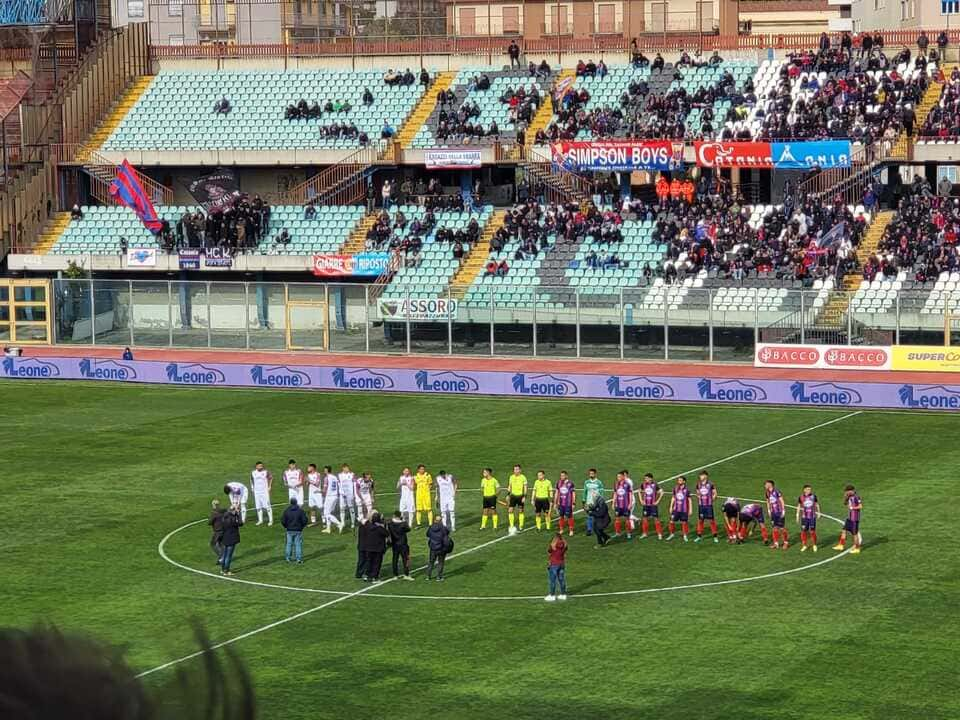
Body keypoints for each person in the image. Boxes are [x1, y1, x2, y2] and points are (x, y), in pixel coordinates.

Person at [356, 511, 389, 581]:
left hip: (369, 548)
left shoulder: (367, 526)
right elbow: (386, 533)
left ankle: (366, 575)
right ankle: (374, 577)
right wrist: (383, 523)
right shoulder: (379, 528)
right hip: (377, 549)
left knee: (369, 562)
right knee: (376, 563)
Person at [833, 485, 863, 554]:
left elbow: (860, 506)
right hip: (849, 518)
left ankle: (857, 548)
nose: (847, 493)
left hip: (854, 519)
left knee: (854, 534)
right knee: (844, 530)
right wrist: (845, 498)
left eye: (848, 491)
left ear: (851, 490)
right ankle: (841, 545)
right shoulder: (849, 497)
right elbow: (845, 504)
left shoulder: (856, 497)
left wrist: (853, 508)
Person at [694, 470, 719, 543]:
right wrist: (699, 498)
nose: (700, 477)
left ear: (705, 476)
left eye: (701, 475)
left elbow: (715, 493)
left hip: (708, 506)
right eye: (700, 475)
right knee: (700, 520)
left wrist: (712, 500)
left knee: (711, 521)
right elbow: (698, 493)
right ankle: (699, 536)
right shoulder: (698, 484)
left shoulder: (711, 484)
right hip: (701, 506)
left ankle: (715, 536)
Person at [281, 497, 308, 564]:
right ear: (296, 503)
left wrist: (286, 527)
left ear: (290, 503)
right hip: (298, 530)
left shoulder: (287, 511)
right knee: (298, 544)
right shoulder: (300, 511)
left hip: (289, 530)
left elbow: (283, 521)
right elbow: (305, 520)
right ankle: (298, 559)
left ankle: (288, 558)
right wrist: (301, 527)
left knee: (289, 544)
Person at [389, 511, 415, 580]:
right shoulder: (403, 524)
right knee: (405, 559)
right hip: (403, 544)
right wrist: (403, 520)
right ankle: (406, 574)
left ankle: (395, 575)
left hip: (395, 544)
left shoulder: (390, 524)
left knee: (395, 559)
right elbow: (408, 529)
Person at [667, 476, 692, 542]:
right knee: (671, 521)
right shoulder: (675, 488)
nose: (679, 481)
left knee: (684, 522)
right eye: (678, 480)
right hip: (676, 509)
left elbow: (689, 500)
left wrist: (690, 509)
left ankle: (685, 535)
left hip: (684, 510)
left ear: (684, 481)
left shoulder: (687, 490)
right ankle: (672, 534)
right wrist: (670, 506)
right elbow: (673, 498)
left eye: (680, 480)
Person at [638, 472, 663, 540]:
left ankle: (659, 534)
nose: (645, 479)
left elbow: (661, 492)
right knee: (645, 519)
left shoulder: (655, 485)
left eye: (647, 478)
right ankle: (645, 533)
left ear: (651, 479)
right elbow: (639, 491)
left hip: (653, 505)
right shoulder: (643, 484)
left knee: (656, 519)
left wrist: (657, 501)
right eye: (645, 478)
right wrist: (641, 500)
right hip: (646, 505)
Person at [765, 480, 788, 550]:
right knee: (774, 528)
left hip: (779, 512)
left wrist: (783, 510)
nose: (765, 486)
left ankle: (785, 543)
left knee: (781, 528)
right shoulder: (767, 493)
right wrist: (769, 510)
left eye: (766, 484)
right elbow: (768, 501)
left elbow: (782, 501)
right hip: (773, 513)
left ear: (770, 485)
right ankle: (776, 543)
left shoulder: (777, 491)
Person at [426, 514, 451, 581]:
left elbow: (427, 534)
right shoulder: (443, 528)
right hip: (441, 548)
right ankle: (439, 577)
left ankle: (428, 576)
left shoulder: (431, 527)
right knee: (441, 562)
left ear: (434, 520)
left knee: (431, 562)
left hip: (433, 548)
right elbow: (447, 533)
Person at [796, 484, 820, 553]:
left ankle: (814, 545)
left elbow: (816, 504)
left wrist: (818, 512)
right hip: (804, 517)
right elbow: (799, 506)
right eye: (808, 489)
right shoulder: (801, 497)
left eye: (810, 489)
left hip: (812, 517)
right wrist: (797, 515)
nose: (809, 490)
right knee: (804, 531)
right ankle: (804, 545)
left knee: (812, 531)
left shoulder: (813, 496)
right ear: (804, 490)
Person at [545, 532, 568, 602]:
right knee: (562, 579)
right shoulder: (564, 544)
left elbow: (549, 551)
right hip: (562, 563)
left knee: (552, 581)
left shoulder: (553, 545)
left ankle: (552, 595)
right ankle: (563, 594)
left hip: (554, 564)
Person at [220, 505, 242, 575]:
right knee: (228, 556)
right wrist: (238, 515)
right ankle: (227, 570)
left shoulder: (224, 517)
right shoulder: (232, 519)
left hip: (224, 538)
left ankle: (222, 569)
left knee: (224, 555)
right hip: (231, 539)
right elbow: (240, 523)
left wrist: (235, 514)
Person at [612, 470, 634, 539]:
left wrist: (630, 503)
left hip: (626, 505)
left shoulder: (627, 484)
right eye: (617, 476)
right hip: (618, 505)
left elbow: (630, 494)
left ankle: (628, 533)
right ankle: (617, 532)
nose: (618, 478)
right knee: (617, 519)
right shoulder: (616, 484)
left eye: (619, 476)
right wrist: (613, 503)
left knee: (627, 519)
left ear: (623, 477)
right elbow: (615, 494)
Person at [553, 470, 576, 536]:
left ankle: (571, 530)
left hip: (568, 504)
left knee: (569, 516)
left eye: (563, 475)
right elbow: (556, 493)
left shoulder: (570, 483)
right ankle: (561, 529)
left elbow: (573, 493)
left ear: (566, 476)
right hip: (561, 503)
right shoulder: (558, 483)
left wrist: (573, 503)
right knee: (561, 516)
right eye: (561, 476)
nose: (561, 477)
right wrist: (555, 503)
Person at [322, 465, 344, 534]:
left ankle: (339, 524)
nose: (324, 471)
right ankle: (328, 529)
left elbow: (324, 490)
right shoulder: (334, 477)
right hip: (335, 496)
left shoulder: (326, 478)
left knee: (326, 514)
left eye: (325, 470)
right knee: (328, 512)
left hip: (329, 497)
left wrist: (319, 491)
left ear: (327, 470)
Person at [249, 461, 272, 526]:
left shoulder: (265, 472)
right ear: (256, 466)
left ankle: (270, 520)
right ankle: (260, 520)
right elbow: (251, 479)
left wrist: (269, 486)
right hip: (257, 492)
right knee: (258, 507)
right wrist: (252, 487)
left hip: (264, 492)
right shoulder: (253, 473)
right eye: (259, 466)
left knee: (267, 506)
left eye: (261, 466)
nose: (261, 467)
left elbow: (271, 478)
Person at [582, 468, 604, 535]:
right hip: (589, 502)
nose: (591, 475)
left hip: (596, 502)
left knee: (597, 516)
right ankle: (589, 530)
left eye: (592, 473)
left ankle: (598, 528)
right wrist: (583, 500)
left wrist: (601, 501)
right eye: (590, 473)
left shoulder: (599, 483)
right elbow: (585, 492)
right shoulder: (586, 482)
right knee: (589, 516)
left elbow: (601, 492)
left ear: (595, 474)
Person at [506, 463, 528, 531]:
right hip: (513, 496)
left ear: (520, 470)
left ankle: (521, 525)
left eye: (517, 469)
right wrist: (508, 494)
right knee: (510, 510)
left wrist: (524, 496)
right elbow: (510, 486)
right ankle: (512, 525)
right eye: (514, 469)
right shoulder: (511, 477)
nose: (515, 470)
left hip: (520, 496)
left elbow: (525, 487)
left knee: (521, 510)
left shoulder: (523, 477)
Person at [338, 463, 358, 530]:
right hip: (342, 495)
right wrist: (341, 492)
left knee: (351, 508)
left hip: (350, 494)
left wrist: (355, 494)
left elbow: (355, 485)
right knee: (342, 508)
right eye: (346, 468)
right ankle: (342, 522)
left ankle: (352, 523)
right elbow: (339, 485)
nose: (347, 469)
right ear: (343, 468)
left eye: (348, 468)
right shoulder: (340, 475)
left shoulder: (352, 474)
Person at [209, 499, 225, 565]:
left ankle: (221, 557)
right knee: (221, 544)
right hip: (223, 530)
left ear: (214, 505)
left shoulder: (214, 513)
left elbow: (210, 522)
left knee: (212, 544)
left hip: (217, 531)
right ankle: (222, 557)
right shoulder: (223, 511)